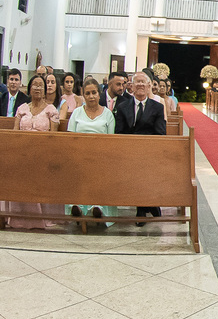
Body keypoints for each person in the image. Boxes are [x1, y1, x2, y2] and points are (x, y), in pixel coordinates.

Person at [0, 74, 60, 228]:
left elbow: (53, 137)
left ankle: (36, 215)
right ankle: (12, 213)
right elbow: (15, 133)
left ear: (45, 90)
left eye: (40, 85)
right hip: (22, 151)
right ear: (29, 89)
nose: (37, 88)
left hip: (43, 153)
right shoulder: (22, 108)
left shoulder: (51, 110)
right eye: (34, 85)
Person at [116, 71, 167, 220]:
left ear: (148, 86)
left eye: (143, 82)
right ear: (131, 86)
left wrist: (145, 148)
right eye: (137, 82)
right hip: (128, 151)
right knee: (135, 167)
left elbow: (160, 133)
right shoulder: (123, 107)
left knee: (145, 168)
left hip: (150, 151)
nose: (140, 85)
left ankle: (143, 208)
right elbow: (119, 132)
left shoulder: (157, 107)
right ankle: (147, 206)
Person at [68, 77, 116, 220]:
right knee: (76, 169)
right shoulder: (77, 113)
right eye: (87, 93)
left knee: (99, 170)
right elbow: (70, 138)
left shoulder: (107, 114)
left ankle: (98, 207)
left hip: (101, 155)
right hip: (79, 154)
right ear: (83, 95)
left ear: (99, 94)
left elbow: (110, 140)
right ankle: (77, 206)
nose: (91, 96)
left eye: (94, 93)